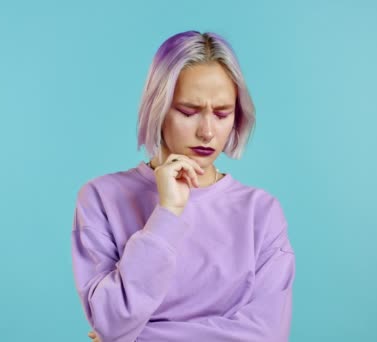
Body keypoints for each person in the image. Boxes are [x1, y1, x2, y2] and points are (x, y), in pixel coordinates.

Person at [72, 30, 296, 342]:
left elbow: (266, 335)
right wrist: (166, 214)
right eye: (188, 112)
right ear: (158, 109)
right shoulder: (101, 199)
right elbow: (112, 321)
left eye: (222, 113)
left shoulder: (261, 212)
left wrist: (139, 336)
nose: (207, 132)